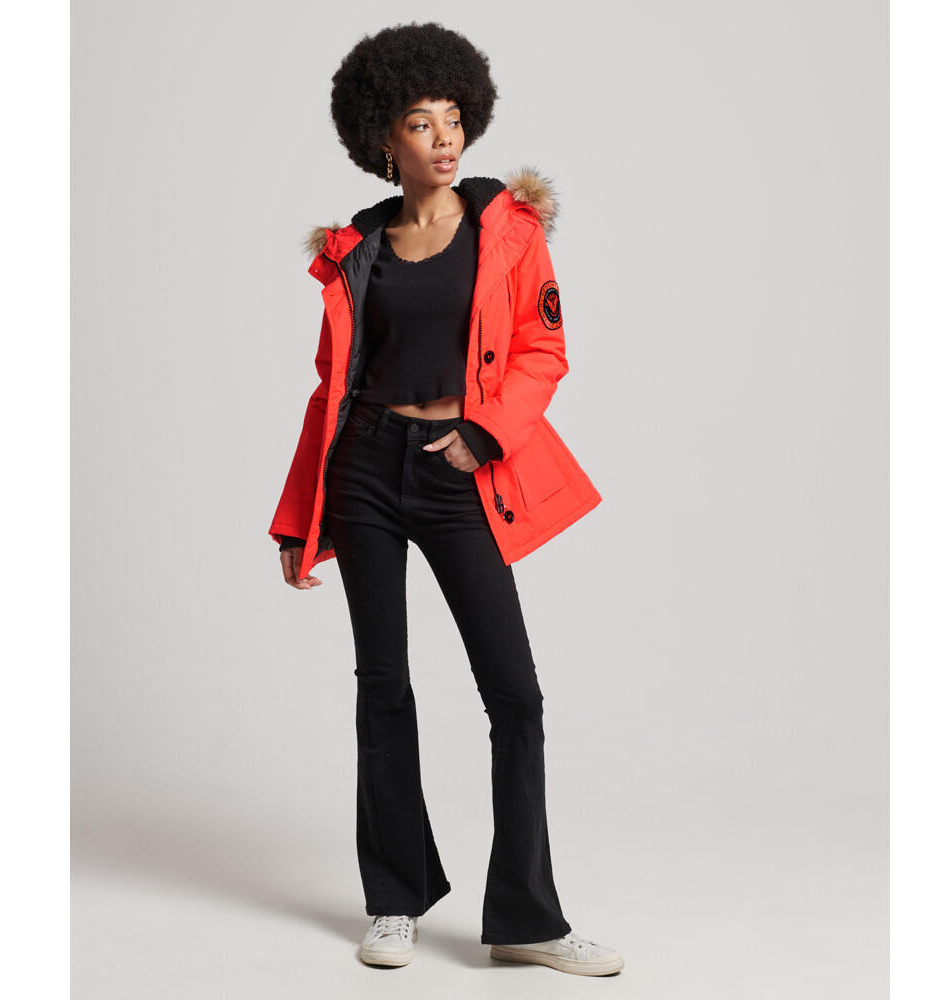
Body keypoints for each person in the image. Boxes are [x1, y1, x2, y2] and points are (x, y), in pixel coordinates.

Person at [268, 22, 621, 976]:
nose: (444, 138)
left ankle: (526, 919)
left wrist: (485, 433)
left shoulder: (509, 229)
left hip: (460, 468)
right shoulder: (359, 250)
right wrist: (299, 517)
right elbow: (330, 389)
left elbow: (544, 350)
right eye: (421, 122)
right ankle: (393, 900)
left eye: (454, 118)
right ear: (385, 137)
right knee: (382, 683)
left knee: (514, 695)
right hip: (365, 468)